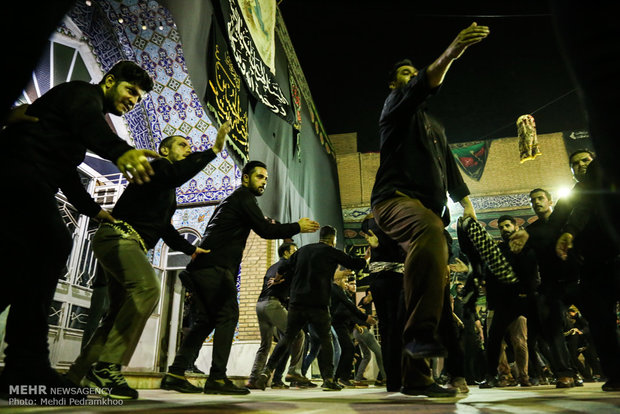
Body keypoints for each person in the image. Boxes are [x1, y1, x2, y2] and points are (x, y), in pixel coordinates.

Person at [0, 60, 159, 396]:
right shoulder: (80, 95)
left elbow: (65, 171)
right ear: (110, 81)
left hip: (28, 183)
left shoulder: (76, 126)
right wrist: (121, 151)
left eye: (139, 99)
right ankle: (25, 365)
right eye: (131, 91)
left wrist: (93, 210)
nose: (133, 101)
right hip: (14, 176)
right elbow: (87, 123)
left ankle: (23, 366)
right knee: (51, 244)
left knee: (16, 271)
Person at [65, 121, 232, 399]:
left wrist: (189, 249)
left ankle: (75, 376)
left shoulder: (164, 186)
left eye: (190, 147)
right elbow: (177, 174)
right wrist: (213, 150)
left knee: (116, 315)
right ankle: (107, 367)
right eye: (182, 145)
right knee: (148, 289)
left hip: (123, 241)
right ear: (164, 150)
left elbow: (164, 227)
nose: (188, 150)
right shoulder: (159, 168)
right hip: (121, 237)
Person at [369, 22, 487, 397]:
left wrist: (467, 206)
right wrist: (451, 53)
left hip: (431, 213)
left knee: (427, 290)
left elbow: (449, 170)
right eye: (405, 74)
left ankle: (416, 377)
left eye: (413, 72)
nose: (413, 77)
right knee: (428, 230)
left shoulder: (435, 126)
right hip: (394, 201)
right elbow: (423, 83)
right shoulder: (393, 109)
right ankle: (421, 335)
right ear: (394, 85)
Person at [163, 160, 319, 395]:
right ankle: (216, 378)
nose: (264, 182)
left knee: (205, 322)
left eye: (266, 179)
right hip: (214, 269)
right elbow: (265, 231)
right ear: (246, 178)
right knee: (228, 316)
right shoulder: (243, 197)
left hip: (204, 269)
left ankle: (175, 374)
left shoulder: (235, 200)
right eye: (259, 177)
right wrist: (297, 226)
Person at [255, 226, 368, 391]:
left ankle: (266, 372)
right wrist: (366, 258)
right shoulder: (331, 251)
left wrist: (278, 278)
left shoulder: (302, 251)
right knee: (325, 340)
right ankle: (329, 379)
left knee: (287, 338)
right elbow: (355, 263)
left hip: (297, 303)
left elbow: (282, 267)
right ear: (333, 239)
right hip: (318, 304)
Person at [555, 157, 620, 391]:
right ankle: (616, 374)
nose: (582, 164)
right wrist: (570, 232)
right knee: (601, 320)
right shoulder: (595, 173)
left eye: (585, 160)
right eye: (576, 162)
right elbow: (584, 205)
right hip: (595, 262)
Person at [246, 242, 313, 390]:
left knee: (266, 345)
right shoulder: (288, 266)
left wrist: (282, 281)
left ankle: (253, 379)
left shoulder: (272, 267)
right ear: (286, 253)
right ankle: (294, 371)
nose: (295, 254)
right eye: (294, 251)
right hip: (273, 305)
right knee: (299, 335)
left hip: (260, 305)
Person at [360, 214, 406, 392]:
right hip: (395, 279)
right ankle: (399, 377)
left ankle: (391, 381)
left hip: (377, 281)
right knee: (397, 328)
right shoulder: (398, 220)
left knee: (386, 329)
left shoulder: (369, 223)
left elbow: (364, 224)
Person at [331, 271, 376, 387]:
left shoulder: (340, 292)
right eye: (345, 281)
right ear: (337, 281)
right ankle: (341, 378)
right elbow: (347, 308)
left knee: (345, 349)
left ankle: (336, 378)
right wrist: (365, 317)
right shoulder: (337, 290)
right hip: (337, 324)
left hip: (341, 324)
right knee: (346, 349)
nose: (346, 284)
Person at [353, 288, 387, 386]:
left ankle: (357, 379)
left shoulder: (367, 303)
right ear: (369, 293)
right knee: (379, 352)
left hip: (358, 331)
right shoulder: (364, 301)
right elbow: (365, 301)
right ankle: (385, 377)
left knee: (367, 356)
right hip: (363, 331)